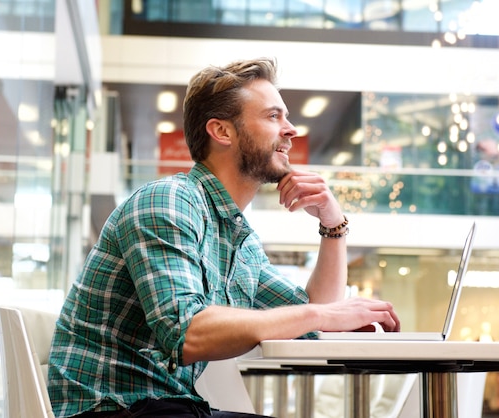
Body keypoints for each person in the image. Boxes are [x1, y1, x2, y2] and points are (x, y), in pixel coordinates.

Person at [47, 57, 401, 418]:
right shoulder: (169, 201)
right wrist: (321, 314)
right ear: (222, 132)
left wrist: (333, 225)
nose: (291, 129)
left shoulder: (237, 240)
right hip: (114, 410)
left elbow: (309, 325)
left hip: (167, 408)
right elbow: (186, 332)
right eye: (273, 116)